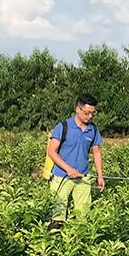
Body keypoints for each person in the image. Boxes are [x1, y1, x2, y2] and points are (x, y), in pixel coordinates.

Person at [47, 94, 105, 229]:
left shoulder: (93, 129)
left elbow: (96, 152)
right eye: (87, 113)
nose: (90, 117)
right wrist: (68, 169)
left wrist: (100, 175)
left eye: (93, 113)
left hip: (83, 178)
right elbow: (51, 152)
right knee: (57, 218)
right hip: (62, 177)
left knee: (83, 217)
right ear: (77, 110)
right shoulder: (63, 127)